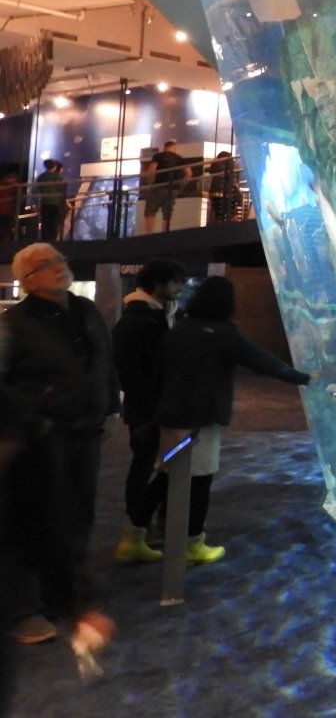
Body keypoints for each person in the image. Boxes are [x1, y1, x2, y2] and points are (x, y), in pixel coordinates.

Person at [1, 244, 119, 646]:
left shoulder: (85, 312)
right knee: (34, 519)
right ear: (27, 280)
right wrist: (38, 422)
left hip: (85, 434)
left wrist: (112, 406)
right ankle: (24, 609)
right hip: (40, 440)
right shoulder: (14, 323)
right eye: (45, 265)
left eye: (60, 261)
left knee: (77, 517)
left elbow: (106, 361)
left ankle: (66, 596)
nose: (58, 268)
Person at [153, 275, 314, 564]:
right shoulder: (223, 333)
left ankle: (156, 532)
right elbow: (263, 361)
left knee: (171, 475)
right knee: (199, 480)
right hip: (200, 422)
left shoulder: (181, 328)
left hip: (171, 415)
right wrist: (305, 378)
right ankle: (192, 543)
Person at [110, 258, 188, 564]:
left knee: (160, 464)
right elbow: (128, 370)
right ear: (160, 283)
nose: (181, 287)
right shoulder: (136, 320)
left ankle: (148, 524)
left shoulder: (165, 315)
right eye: (177, 282)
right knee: (144, 466)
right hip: (146, 409)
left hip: (161, 406)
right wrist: (151, 403)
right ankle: (138, 526)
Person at [143, 141, 187, 235]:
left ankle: (148, 236)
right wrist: (180, 187)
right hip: (173, 188)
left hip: (159, 186)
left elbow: (151, 170)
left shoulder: (158, 156)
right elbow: (189, 173)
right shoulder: (180, 159)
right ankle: (165, 234)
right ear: (174, 148)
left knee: (150, 211)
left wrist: (151, 183)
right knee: (167, 213)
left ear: (165, 147)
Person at [34, 161, 66, 244]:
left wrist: (36, 203)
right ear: (55, 167)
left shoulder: (41, 177)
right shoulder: (59, 177)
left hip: (45, 203)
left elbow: (36, 190)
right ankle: (53, 241)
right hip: (56, 204)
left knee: (45, 223)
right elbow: (63, 191)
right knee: (54, 224)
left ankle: (45, 241)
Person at [206, 152, 238, 226]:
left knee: (219, 214)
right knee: (232, 213)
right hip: (226, 192)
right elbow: (232, 179)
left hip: (215, 192)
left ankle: (219, 229)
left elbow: (210, 171)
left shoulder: (215, 164)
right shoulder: (229, 165)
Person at [0, 172, 19, 242]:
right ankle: (7, 241)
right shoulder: (12, 188)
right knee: (6, 226)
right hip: (7, 211)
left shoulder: (2, 184)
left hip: (4, 210)